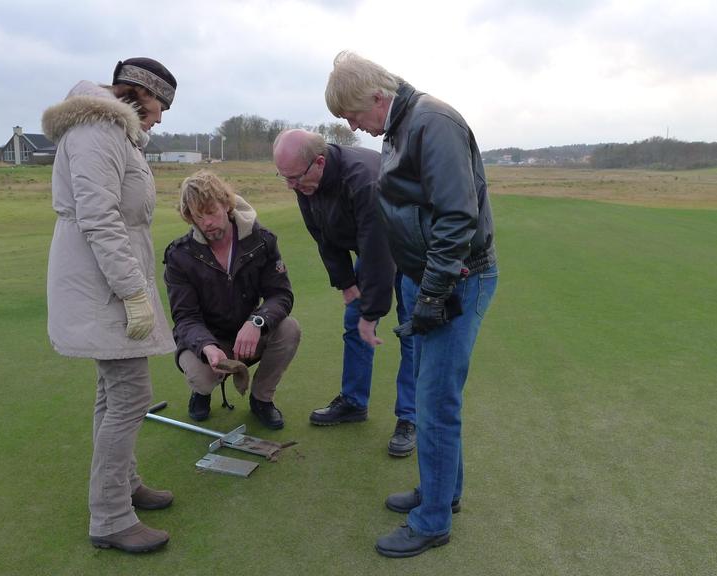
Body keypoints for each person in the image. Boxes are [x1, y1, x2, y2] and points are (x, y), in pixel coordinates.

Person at [325, 51, 499, 558]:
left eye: (355, 116)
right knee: (434, 394)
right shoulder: (400, 126)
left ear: (379, 97)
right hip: (429, 277)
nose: (355, 127)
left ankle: (432, 520)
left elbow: (456, 217)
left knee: (435, 399)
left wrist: (432, 293)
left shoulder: (432, 122)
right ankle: (443, 492)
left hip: (458, 279)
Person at [43, 57, 178, 553]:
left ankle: (124, 485)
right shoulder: (97, 128)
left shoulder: (110, 130)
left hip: (109, 278)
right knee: (129, 395)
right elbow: (100, 220)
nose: (161, 117)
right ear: (137, 93)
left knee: (114, 391)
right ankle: (110, 517)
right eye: (161, 105)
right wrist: (133, 293)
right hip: (103, 283)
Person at [272, 129, 417, 457]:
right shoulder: (303, 179)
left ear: (319, 163)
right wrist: (346, 284)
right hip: (373, 245)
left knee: (412, 331)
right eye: (285, 179)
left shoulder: (363, 180)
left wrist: (373, 312)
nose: (291, 186)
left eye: (294, 178)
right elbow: (322, 234)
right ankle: (354, 402)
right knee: (355, 323)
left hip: (410, 247)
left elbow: (377, 247)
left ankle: (410, 417)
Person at [163, 170, 300, 430]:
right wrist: (206, 346)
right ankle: (201, 393)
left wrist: (257, 322)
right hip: (206, 339)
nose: (207, 223)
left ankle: (261, 399)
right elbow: (185, 317)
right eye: (197, 217)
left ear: (226, 204)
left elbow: (280, 294)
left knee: (289, 328)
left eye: (211, 212)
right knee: (201, 378)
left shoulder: (262, 241)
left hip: (248, 333)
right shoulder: (179, 255)